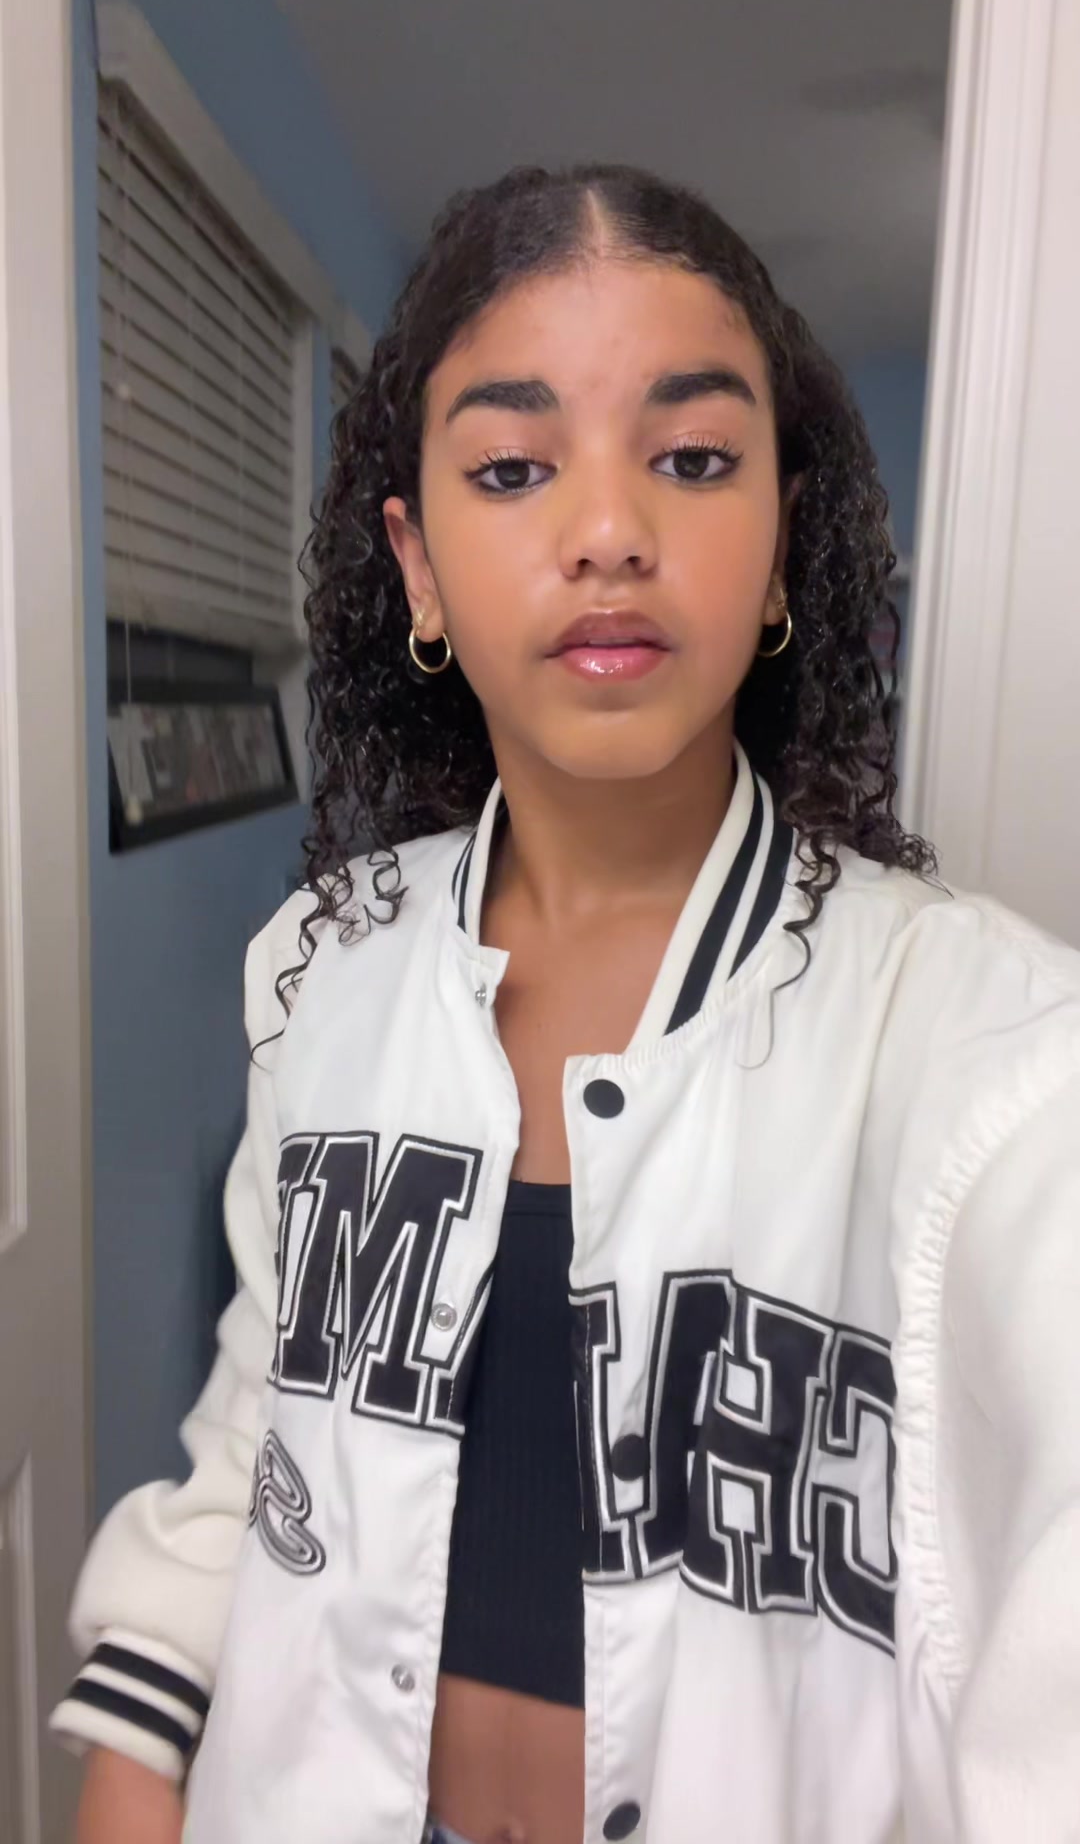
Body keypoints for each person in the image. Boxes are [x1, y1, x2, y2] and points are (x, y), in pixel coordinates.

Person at [57, 165, 1080, 1844]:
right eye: (514, 468)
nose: (608, 530)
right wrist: (130, 1762)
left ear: (780, 544)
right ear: (419, 562)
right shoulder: (323, 968)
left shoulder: (1001, 1062)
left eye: (694, 458)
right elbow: (264, 1426)